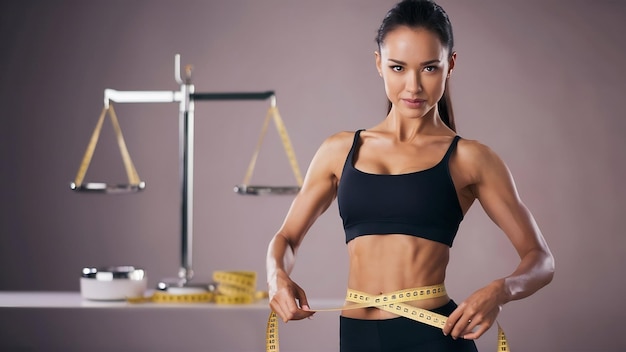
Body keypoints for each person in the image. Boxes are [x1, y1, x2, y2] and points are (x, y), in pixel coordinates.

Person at [266, 0, 555, 351]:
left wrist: (500, 290)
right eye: (398, 67)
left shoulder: (470, 158)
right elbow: (287, 239)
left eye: (429, 68)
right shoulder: (338, 150)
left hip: (433, 338)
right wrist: (276, 276)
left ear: (450, 65)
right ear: (378, 64)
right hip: (356, 339)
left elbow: (541, 260)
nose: (413, 86)